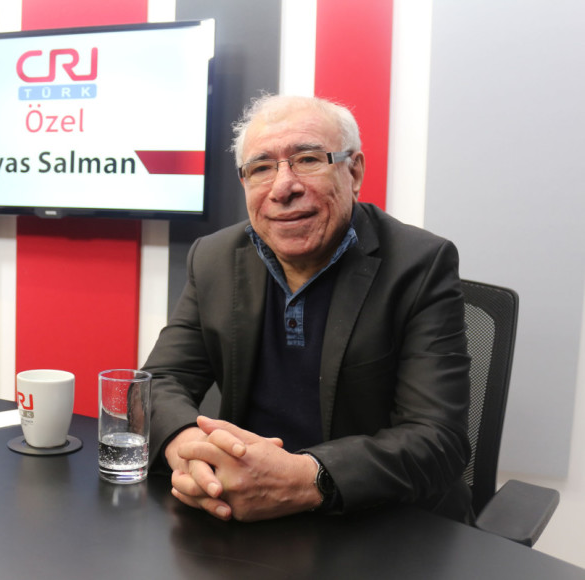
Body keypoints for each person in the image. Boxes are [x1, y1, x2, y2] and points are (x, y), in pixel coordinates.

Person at [141, 94, 472, 523]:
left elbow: (438, 439)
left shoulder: (420, 264)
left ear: (354, 171)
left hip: (377, 522)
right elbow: (159, 383)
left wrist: (306, 478)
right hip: (240, 510)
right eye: (261, 168)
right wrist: (189, 448)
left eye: (308, 160)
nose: (283, 188)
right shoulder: (214, 257)